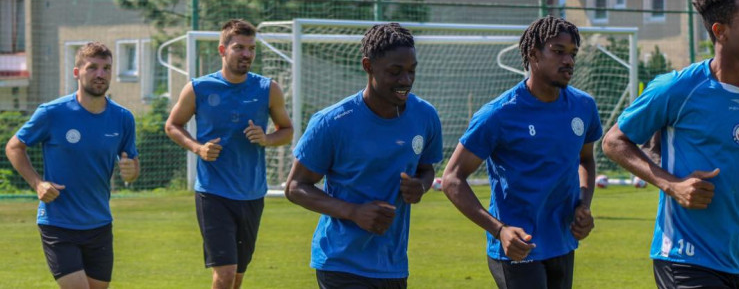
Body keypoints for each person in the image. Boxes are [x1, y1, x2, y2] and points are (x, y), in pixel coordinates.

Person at [602, 0, 739, 289]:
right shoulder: (678, 88)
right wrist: (673, 185)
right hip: (687, 258)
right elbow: (614, 141)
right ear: (720, 31)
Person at [442, 16, 601, 289]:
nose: (568, 61)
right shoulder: (498, 114)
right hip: (517, 247)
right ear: (533, 54)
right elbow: (452, 179)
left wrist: (583, 204)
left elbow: (585, 159)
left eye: (572, 53)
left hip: (562, 242)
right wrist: (499, 230)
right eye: (558, 51)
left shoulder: (583, 107)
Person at [285, 23, 443, 288]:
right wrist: (354, 212)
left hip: (393, 264)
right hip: (341, 262)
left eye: (411, 71)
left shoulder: (425, 116)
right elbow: (295, 186)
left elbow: (426, 170)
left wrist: (421, 187)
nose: (406, 80)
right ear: (368, 66)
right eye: (395, 72)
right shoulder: (332, 122)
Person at [164, 19, 293, 289]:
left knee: (236, 278)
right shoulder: (198, 88)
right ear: (222, 50)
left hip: (252, 194)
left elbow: (287, 130)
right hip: (213, 193)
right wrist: (198, 148)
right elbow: (172, 125)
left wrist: (267, 138)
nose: (246, 54)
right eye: (239, 48)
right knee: (224, 275)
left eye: (251, 48)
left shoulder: (268, 89)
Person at [5, 42, 140, 289]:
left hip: (99, 224)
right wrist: (38, 183)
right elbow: (14, 147)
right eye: (93, 68)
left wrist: (132, 171)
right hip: (58, 224)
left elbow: (132, 163)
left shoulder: (123, 118)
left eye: (107, 68)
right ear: (77, 72)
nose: (101, 74)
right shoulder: (52, 113)